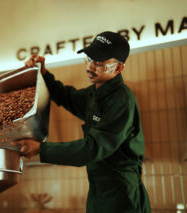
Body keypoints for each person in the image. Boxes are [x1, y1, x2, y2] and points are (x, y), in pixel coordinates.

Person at [12, 31, 151, 213]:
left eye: (99, 63)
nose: (91, 67)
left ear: (118, 69)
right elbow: (66, 96)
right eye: (89, 59)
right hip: (98, 192)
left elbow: (91, 148)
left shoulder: (121, 101)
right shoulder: (94, 94)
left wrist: (41, 148)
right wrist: (44, 73)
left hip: (122, 194)